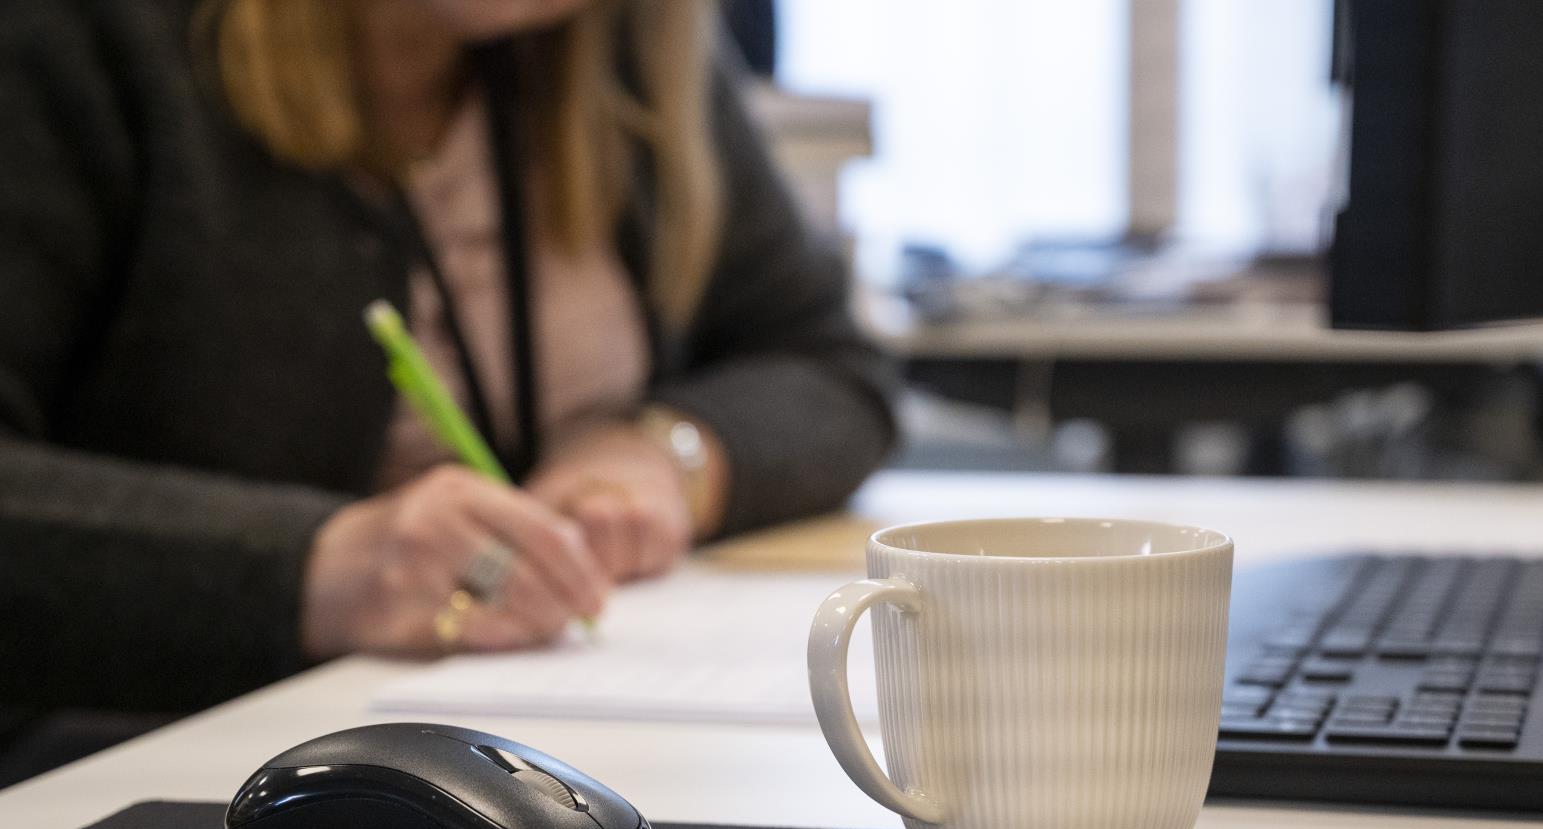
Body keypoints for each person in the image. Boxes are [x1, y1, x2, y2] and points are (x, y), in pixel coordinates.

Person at [0, 0, 897, 723]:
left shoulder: (623, 45)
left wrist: (666, 453)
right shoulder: (86, 40)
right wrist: (318, 566)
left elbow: (830, 361)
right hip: (135, 769)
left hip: (548, 726)